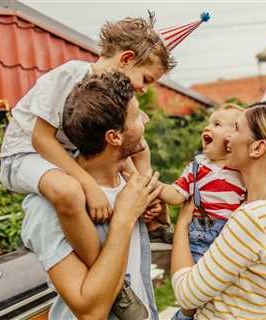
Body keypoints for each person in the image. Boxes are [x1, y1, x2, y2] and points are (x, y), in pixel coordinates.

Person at [0, 13, 174, 316]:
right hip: (22, 155)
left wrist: (142, 189)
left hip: (54, 159)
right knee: (69, 191)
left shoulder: (101, 100)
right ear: (127, 58)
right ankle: (113, 284)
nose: (144, 90)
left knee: (71, 187)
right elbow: (42, 139)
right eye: (146, 79)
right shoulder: (72, 75)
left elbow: (114, 154)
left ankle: (118, 273)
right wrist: (89, 185)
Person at [21, 71, 163, 319]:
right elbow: (90, 312)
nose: (146, 119)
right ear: (114, 136)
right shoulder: (49, 206)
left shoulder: (128, 183)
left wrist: (155, 215)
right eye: (137, 115)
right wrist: (124, 218)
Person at [171, 101, 266, 319]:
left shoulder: (253, 219)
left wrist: (181, 225)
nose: (228, 139)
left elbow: (186, 295)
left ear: (257, 148)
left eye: (236, 128)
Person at [156, 104, 246, 319]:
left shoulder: (242, 169)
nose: (207, 128)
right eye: (208, 123)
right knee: (192, 298)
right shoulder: (197, 167)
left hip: (229, 240)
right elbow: (177, 196)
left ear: (234, 136)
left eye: (216, 124)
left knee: (220, 298)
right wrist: (152, 186)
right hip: (198, 237)